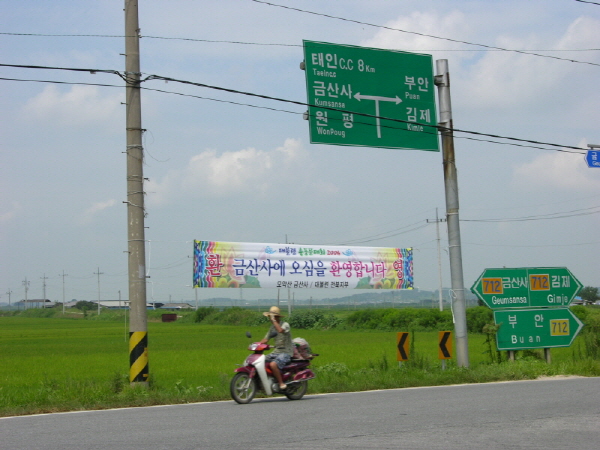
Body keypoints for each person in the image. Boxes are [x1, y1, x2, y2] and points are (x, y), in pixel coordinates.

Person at [260, 306, 293, 390]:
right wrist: (257, 344)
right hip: (276, 352)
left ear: (276, 317)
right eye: (270, 317)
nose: (270, 319)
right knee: (261, 360)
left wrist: (274, 321)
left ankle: (281, 383)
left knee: (273, 364)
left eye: (271, 317)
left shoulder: (285, 325)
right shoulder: (272, 328)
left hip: (286, 352)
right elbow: (266, 339)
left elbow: (280, 330)